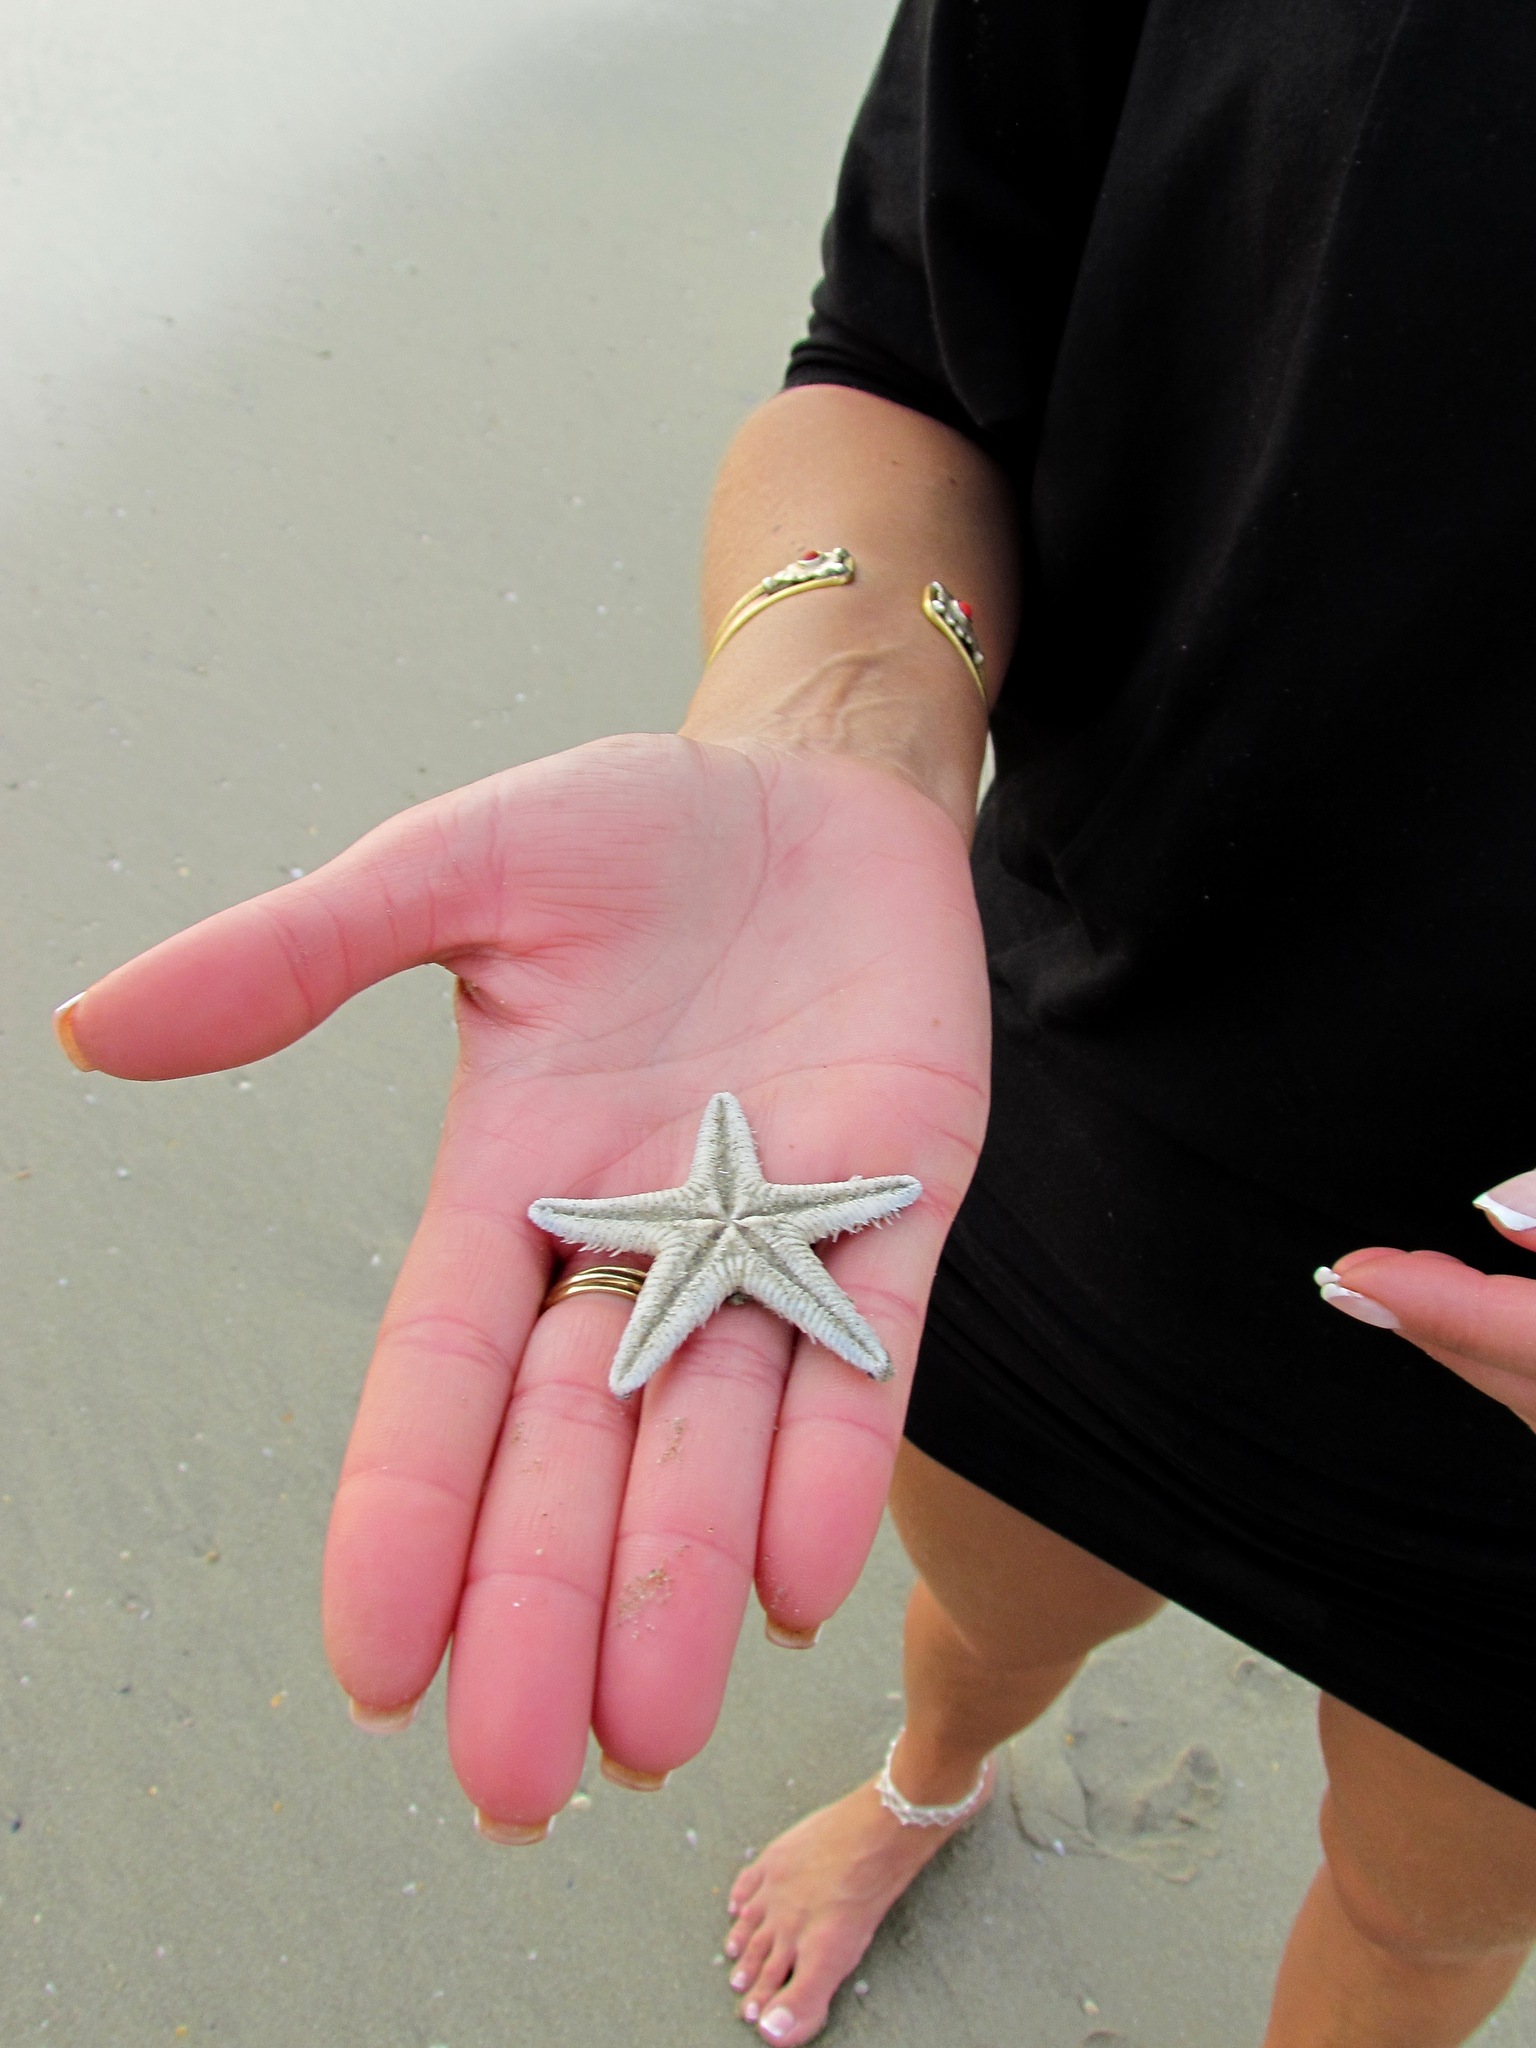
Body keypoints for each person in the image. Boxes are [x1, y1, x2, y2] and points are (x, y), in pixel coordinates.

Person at [52, 1, 1536, 2042]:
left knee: (1430, 1908)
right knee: (990, 1608)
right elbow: (914, 356)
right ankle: (935, 1777)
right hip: (1026, 1085)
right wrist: (832, 714)